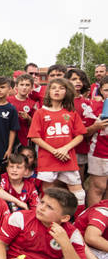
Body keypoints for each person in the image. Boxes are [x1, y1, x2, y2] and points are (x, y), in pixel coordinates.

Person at [28, 77, 87, 213]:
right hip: (48, 160)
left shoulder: (71, 113)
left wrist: (65, 149)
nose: (57, 91)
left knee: (79, 194)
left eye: (61, 88)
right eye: (54, 88)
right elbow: (35, 137)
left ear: (67, 92)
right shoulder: (41, 113)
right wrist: (55, 151)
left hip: (68, 159)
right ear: (48, 92)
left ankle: (76, 224)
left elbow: (80, 135)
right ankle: (47, 222)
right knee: (48, 193)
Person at [85, 76, 108, 206]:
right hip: (99, 152)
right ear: (101, 91)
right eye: (106, 90)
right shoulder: (93, 107)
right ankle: (92, 218)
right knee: (98, 187)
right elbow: (83, 133)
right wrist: (96, 126)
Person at [7, 73, 36, 147]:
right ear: (16, 86)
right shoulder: (8, 100)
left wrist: (28, 118)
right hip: (7, 137)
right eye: (22, 84)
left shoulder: (33, 104)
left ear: (32, 87)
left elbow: (35, 124)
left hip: (24, 138)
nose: (24, 87)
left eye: (27, 85)